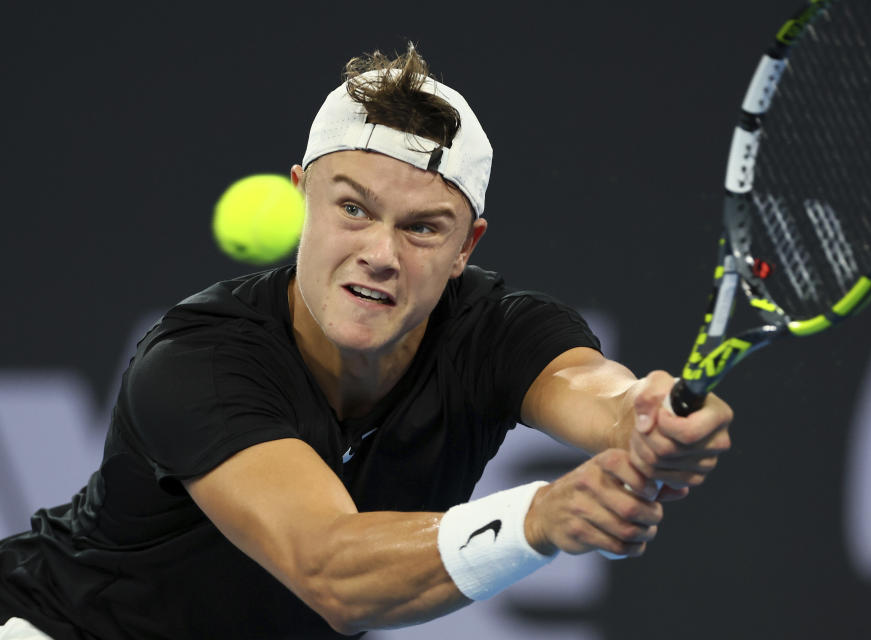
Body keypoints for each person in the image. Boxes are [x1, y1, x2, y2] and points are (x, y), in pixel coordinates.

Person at [0, 45, 732, 639]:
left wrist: (645, 414)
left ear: (465, 247)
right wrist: (538, 519)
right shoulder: (199, 363)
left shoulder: (497, 330)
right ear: (301, 200)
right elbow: (334, 574)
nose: (381, 252)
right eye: (353, 208)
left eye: (422, 227)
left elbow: (594, 390)